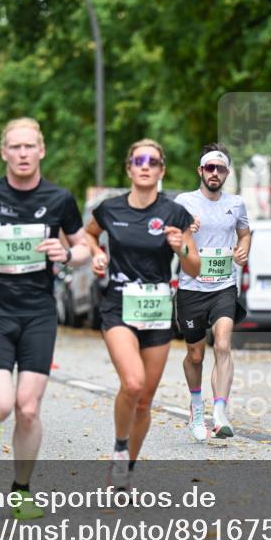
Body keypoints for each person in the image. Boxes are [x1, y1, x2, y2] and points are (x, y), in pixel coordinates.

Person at [0, 117, 89, 520]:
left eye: (30, 146)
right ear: (4, 152)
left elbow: (83, 246)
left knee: (27, 409)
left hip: (39, 313)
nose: (23, 153)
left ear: (41, 150)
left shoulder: (60, 198)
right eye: (15, 147)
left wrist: (65, 254)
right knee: (0, 407)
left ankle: (22, 489)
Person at [84, 139, 199, 489]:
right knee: (131, 383)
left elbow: (194, 267)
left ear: (162, 170)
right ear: (129, 168)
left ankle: (126, 470)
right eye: (139, 160)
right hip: (118, 305)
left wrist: (181, 249)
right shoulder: (110, 209)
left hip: (157, 309)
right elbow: (90, 235)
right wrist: (96, 254)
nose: (145, 165)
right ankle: (120, 448)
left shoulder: (174, 213)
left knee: (145, 400)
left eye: (153, 161)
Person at [175, 143, 250, 440]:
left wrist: (242, 252)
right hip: (192, 288)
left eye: (220, 168)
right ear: (200, 171)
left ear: (227, 173)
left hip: (223, 285)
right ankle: (196, 406)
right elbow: (170, 239)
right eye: (209, 167)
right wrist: (186, 232)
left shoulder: (237, 203)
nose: (214, 173)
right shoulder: (183, 202)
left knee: (222, 345)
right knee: (195, 355)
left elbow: (244, 233)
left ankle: (220, 412)